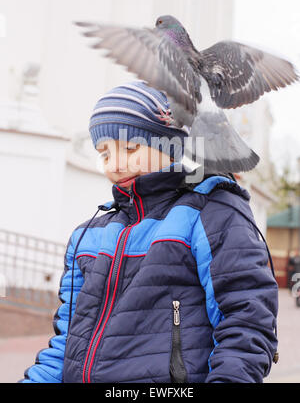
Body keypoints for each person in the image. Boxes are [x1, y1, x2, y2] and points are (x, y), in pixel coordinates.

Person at [20, 81, 278, 383]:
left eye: (130, 148)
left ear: (171, 145)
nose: (115, 165)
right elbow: (66, 344)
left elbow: (247, 325)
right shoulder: (88, 235)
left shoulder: (210, 213)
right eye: (104, 154)